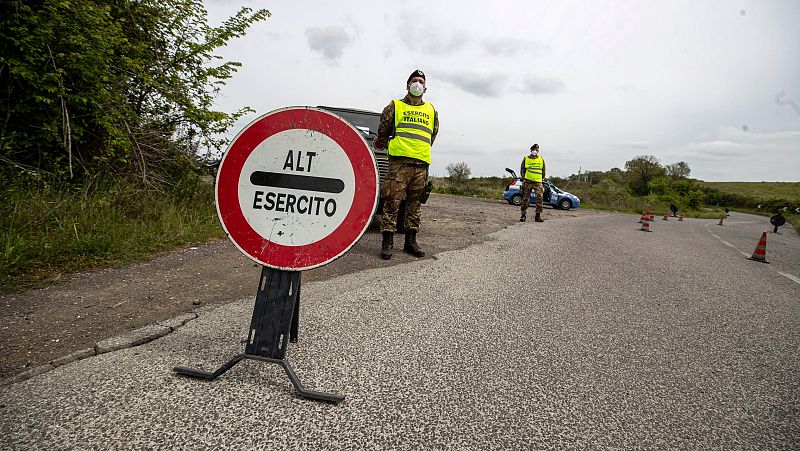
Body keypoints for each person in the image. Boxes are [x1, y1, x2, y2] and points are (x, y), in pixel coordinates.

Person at [373, 69, 439, 260]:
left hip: (421, 164)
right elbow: (383, 132)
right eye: (414, 80)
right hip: (399, 164)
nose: (417, 84)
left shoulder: (431, 111)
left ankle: (411, 242)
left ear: (425, 88)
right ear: (408, 85)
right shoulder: (394, 106)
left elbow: (431, 136)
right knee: (392, 203)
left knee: (414, 204)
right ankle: (387, 243)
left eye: (420, 81)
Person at [519, 144, 546, 222]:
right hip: (527, 181)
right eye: (534, 149)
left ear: (538, 151)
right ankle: (523, 215)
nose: (535, 151)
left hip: (538, 182)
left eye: (537, 150)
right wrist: (524, 178)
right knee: (525, 199)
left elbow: (543, 171)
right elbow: (522, 170)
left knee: (540, 198)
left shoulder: (541, 159)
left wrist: (541, 179)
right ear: (531, 150)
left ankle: (538, 216)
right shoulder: (526, 159)